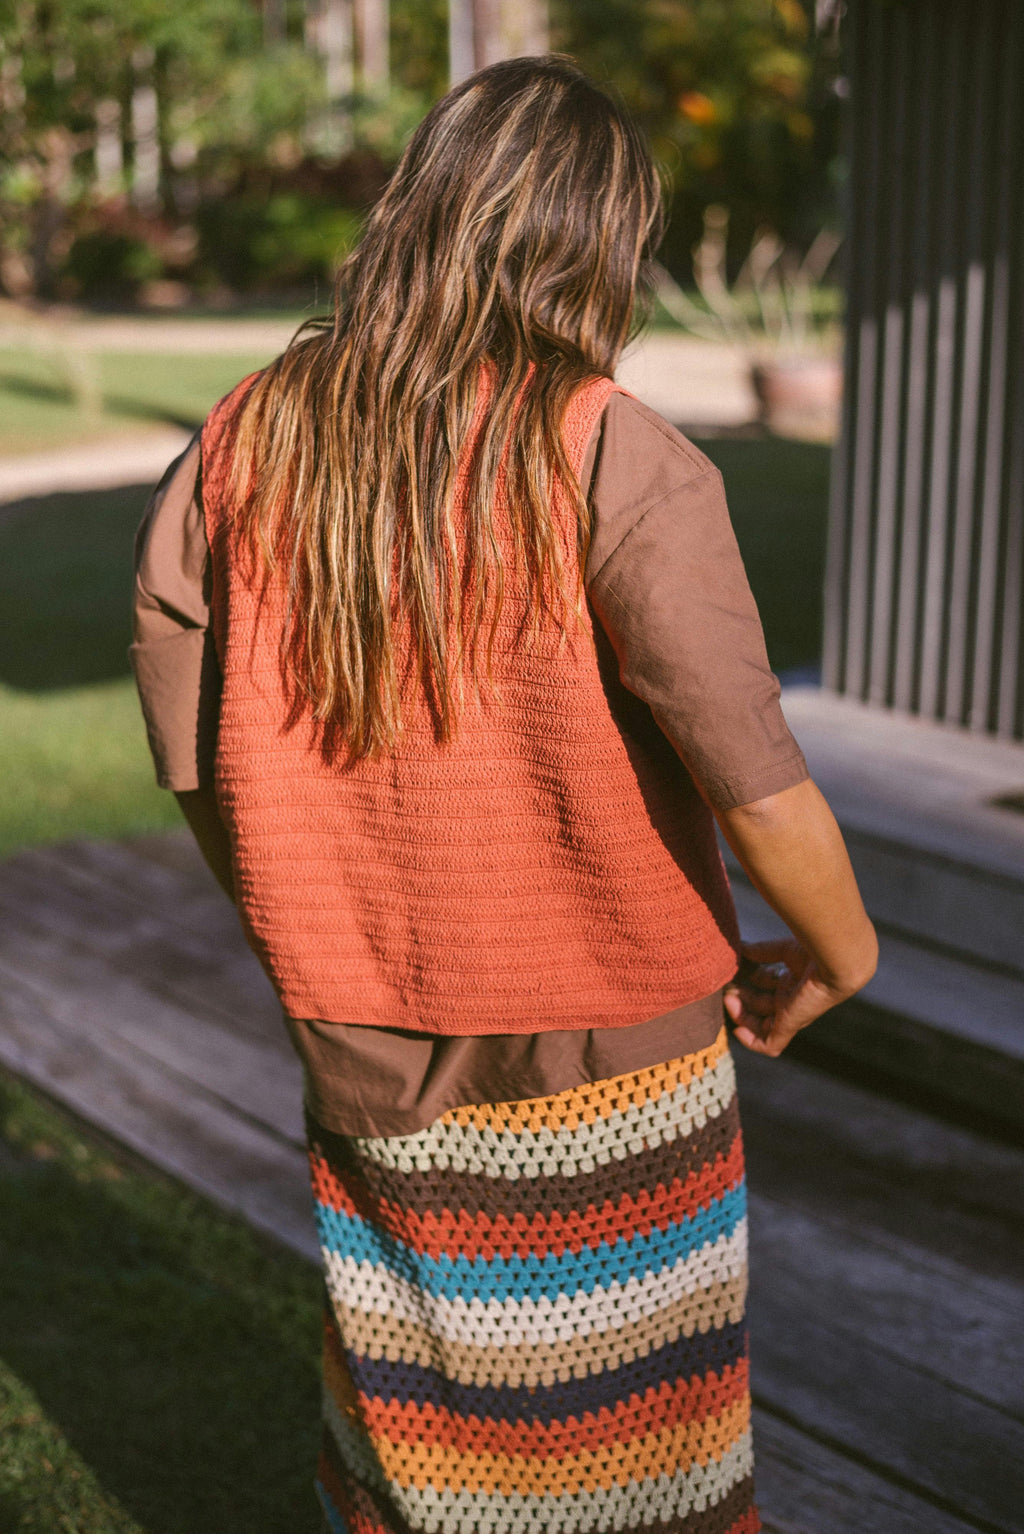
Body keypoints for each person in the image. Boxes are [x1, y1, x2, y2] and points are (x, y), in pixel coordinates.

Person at [131, 55, 877, 1534]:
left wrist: (306, 919)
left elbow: (191, 746)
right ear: (600, 242)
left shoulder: (242, 441)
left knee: (419, 1419)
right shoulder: (615, 453)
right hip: (615, 1033)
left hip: (367, 1026)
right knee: (640, 1445)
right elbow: (750, 773)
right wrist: (840, 958)